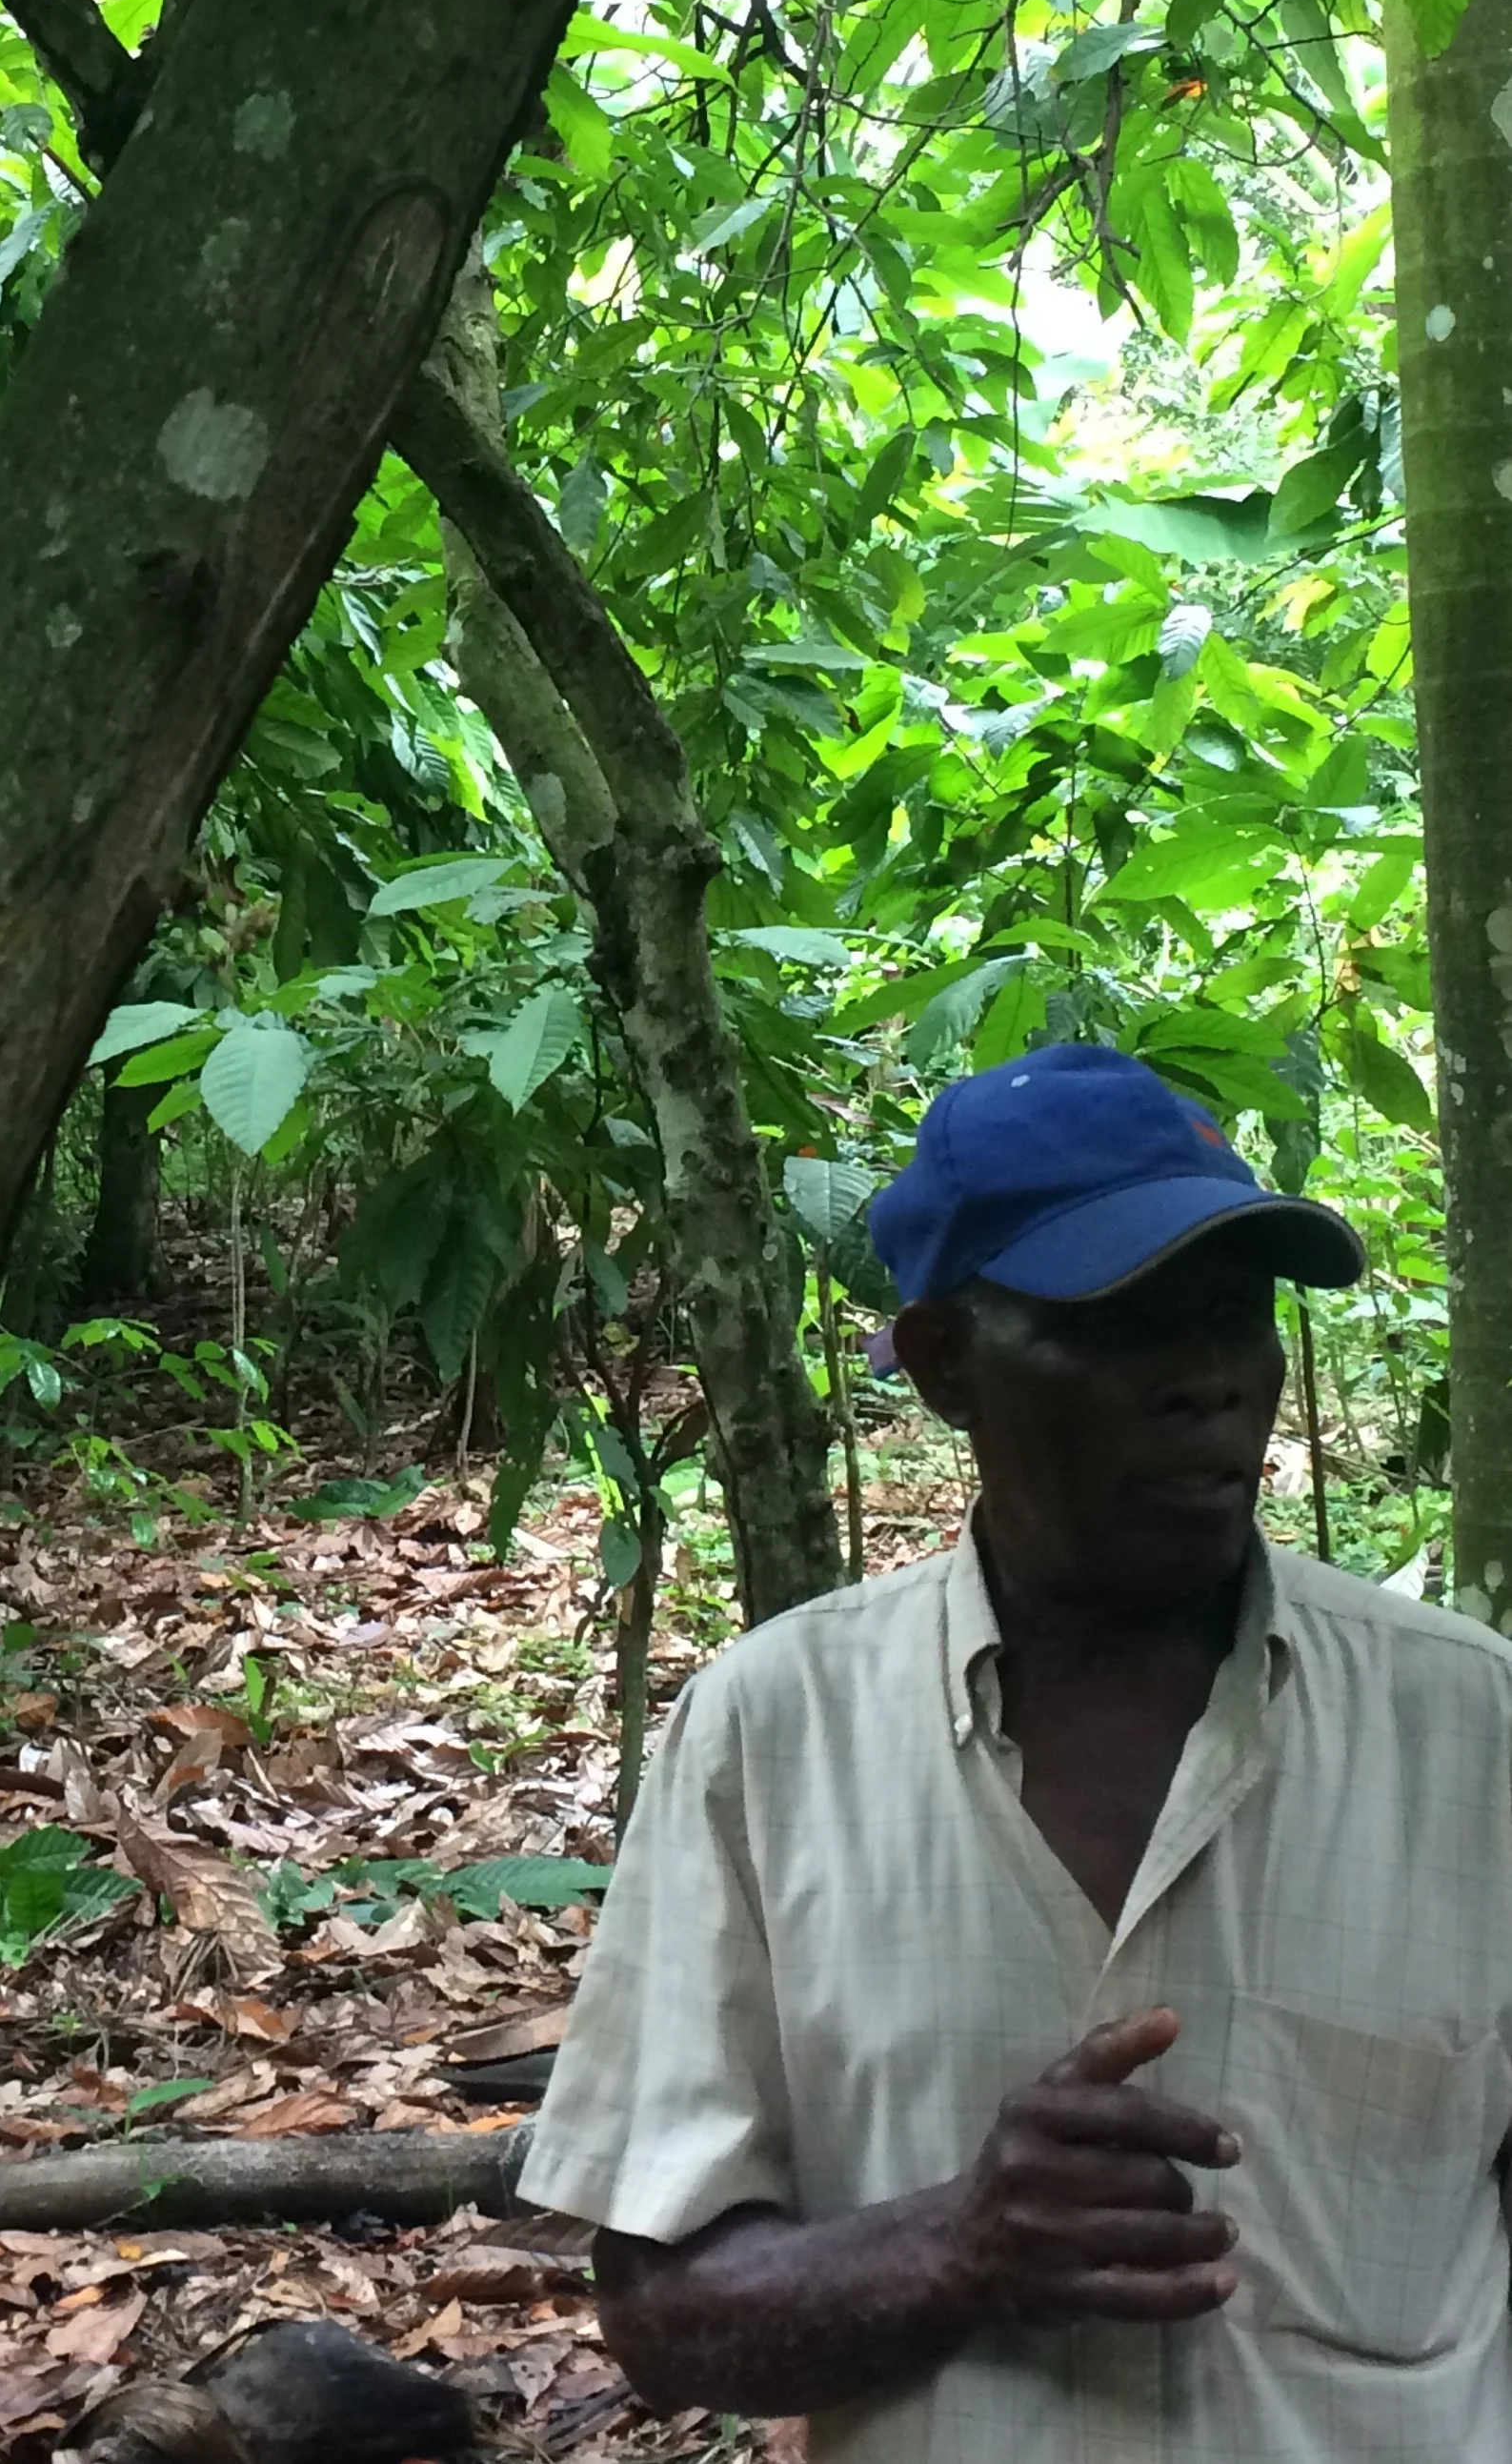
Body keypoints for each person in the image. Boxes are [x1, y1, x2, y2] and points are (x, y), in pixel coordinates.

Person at [521, 1040, 1512, 2458]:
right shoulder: (771, 1735)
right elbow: (665, 2313)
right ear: (945, 1366)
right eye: (1124, 1324)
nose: (1209, 1381)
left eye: (1235, 1318)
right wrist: (959, 2245)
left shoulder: (1475, 1731)